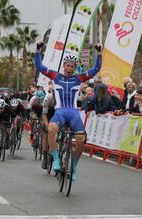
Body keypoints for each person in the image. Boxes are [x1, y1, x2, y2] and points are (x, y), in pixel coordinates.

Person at [35, 41, 102, 181]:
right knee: (52, 129)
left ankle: (75, 167)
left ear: (75, 68)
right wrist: (38, 50)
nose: (70, 68)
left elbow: (96, 68)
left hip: (73, 113)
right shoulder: (55, 76)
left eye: (72, 66)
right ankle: (56, 160)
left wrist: (99, 53)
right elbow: (40, 66)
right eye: (68, 66)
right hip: (60, 112)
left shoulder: (79, 78)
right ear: (64, 66)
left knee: (80, 138)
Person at [41, 89, 56, 169]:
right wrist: (47, 126)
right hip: (48, 114)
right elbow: (44, 114)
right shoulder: (48, 98)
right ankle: (45, 156)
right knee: (46, 134)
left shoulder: (63, 98)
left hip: (58, 114)